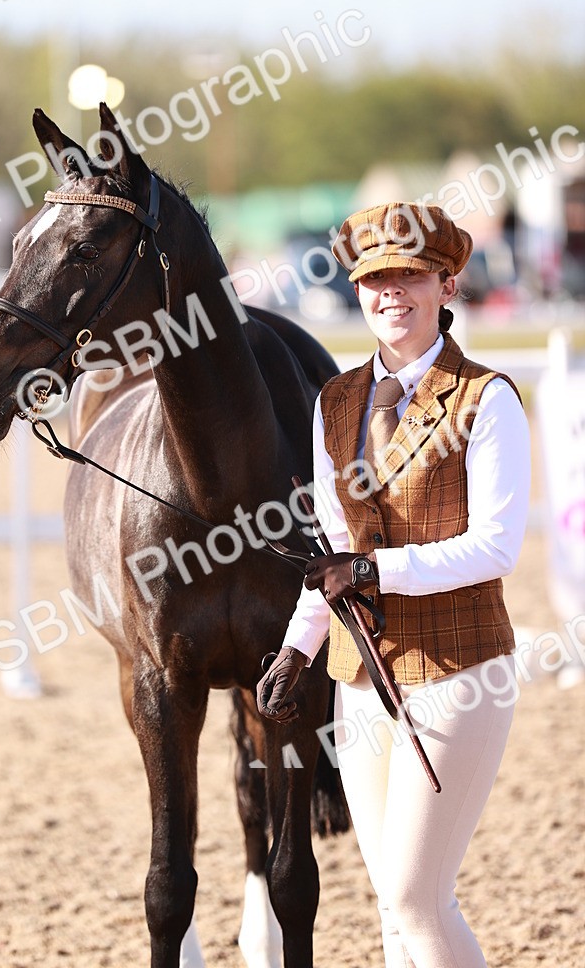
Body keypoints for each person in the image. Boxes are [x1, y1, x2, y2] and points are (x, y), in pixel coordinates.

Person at [257, 202, 531, 968]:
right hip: (361, 674)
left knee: (418, 898)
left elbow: (496, 548)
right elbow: (334, 549)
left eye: (410, 276)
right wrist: (296, 649)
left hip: (460, 670)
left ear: (447, 285)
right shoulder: (337, 402)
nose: (391, 294)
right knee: (389, 905)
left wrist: (381, 570)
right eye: (376, 280)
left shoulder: (487, 398)